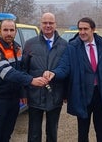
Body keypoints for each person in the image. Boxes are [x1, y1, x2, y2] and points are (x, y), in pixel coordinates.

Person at [44, 17, 102, 142]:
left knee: (101, 133)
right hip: (82, 95)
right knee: (82, 134)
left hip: (101, 95)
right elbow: (64, 67)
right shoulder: (72, 47)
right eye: (80, 29)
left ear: (93, 30)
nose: (82, 32)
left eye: (85, 29)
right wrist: (54, 73)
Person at [0, 19, 48, 142]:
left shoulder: (16, 47)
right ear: (0, 31)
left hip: (13, 99)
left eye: (11, 30)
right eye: (5, 30)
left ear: (16, 31)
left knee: (7, 133)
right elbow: (6, 72)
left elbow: (21, 70)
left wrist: (23, 92)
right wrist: (31, 80)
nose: (9, 33)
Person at [22, 12, 68, 142]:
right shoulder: (30, 44)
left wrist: (66, 93)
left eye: (51, 23)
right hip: (34, 94)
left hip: (55, 95)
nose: (48, 25)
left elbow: (66, 71)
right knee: (34, 132)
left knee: (52, 131)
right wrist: (24, 92)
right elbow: (23, 69)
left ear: (55, 24)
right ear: (40, 24)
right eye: (45, 23)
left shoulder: (64, 45)